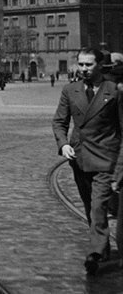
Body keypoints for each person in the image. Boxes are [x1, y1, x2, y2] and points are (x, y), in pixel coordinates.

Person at [52, 47, 123, 274]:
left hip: (105, 157)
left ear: (100, 65)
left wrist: (120, 167)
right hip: (79, 158)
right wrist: (63, 144)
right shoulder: (69, 90)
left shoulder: (114, 91)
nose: (83, 69)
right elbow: (59, 122)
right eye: (81, 64)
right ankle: (102, 247)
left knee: (99, 207)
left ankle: (94, 253)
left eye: (89, 64)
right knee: (89, 205)